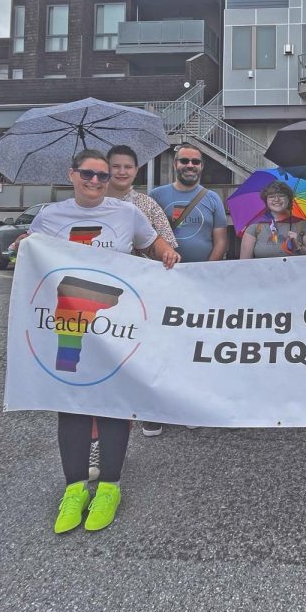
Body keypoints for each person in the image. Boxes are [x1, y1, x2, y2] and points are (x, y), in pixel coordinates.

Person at [24, 148, 178, 535]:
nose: (95, 182)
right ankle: (74, 488)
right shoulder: (49, 216)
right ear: (71, 174)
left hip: (115, 323)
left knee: (114, 403)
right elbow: (32, 256)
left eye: (102, 176)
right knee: (71, 403)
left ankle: (109, 486)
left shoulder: (127, 213)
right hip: (67, 321)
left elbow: (153, 241)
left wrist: (166, 253)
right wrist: (23, 248)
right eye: (88, 175)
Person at [144, 143, 227, 436]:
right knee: (161, 345)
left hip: (199, 283)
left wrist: (206, 270)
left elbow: (220, 239)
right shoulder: (156, 196)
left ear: (202, 166)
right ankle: (155, 410)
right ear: (175, 164)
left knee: (195, 344)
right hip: (164, 280)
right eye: (184, 161)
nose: (190, 166)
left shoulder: (212, 198)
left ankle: (189, 404)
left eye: (195, 162)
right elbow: (147, 237)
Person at [107, 144, 181, 440]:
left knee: (146, 350)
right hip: (104, 290)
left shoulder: (147, 206)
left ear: (135, 171)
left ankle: (150, 409)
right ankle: (112, 413)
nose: (122, 172)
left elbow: (167, 244)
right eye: (116, 166)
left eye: (127, 166)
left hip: (142, 290)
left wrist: (153, 250)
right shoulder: (92, 203)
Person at [239, 181, 306, 259]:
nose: (276, 199)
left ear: (289, 199)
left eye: (281, 196)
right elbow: (244, 262)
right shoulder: (255, 226)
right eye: (271, 196)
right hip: (263, 271)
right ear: (266, 201)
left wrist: (298, 246)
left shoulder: (302, 224)